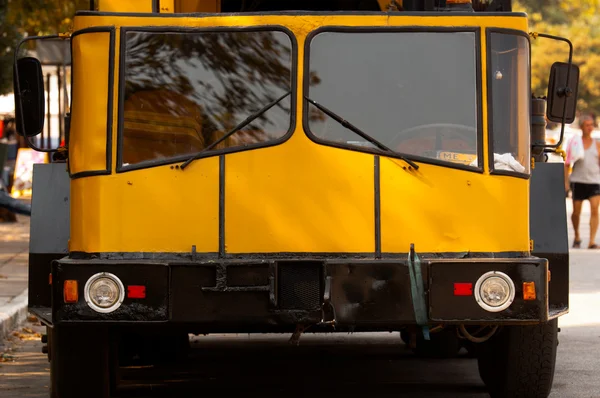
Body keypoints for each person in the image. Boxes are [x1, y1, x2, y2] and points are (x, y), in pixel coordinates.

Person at [565, 114, 600, 248]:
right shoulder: (575, 143)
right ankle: (577, 236)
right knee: (576, 212)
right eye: (587, 125)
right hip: (578, 181)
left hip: (594, 181)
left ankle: (591, 241)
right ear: (581, 127)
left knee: (595, 209)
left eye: (591, 125)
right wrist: (566, 182)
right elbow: (567, 163)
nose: (590, 128)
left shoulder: (597, 144)